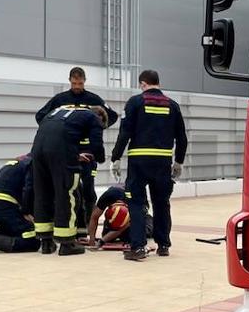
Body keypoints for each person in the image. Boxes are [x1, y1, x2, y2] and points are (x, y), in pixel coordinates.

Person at [111, 69, 187, 261]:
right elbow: (182, 138)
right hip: (162, 162)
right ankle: (163, 245)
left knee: (135, 203)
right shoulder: (173, 105)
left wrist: (116, 157)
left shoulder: (135, 103)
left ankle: (138, 248)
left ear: (143, 84)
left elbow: (124, 133)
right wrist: (178, 161)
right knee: (162, 203)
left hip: (139, 162)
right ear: (157, 83)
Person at [35, 67, 117, 237]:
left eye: (80, 83)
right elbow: (41, 116)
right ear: (69, 81)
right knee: (67, 187)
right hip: (66, 149)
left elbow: (112, 115)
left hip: (88, 151)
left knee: (87, 188)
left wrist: (97, 129)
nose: (77, 86)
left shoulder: (93, 99)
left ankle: (86, 226)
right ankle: (68, 227)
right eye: (74, 83)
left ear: (84, 81)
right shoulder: (60, 99)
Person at [32, 105, 108, 256]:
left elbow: (57, 135)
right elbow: (96, 146)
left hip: (38, 149)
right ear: (101, 119)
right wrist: (99, 158)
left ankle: (46, 242)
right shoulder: (94, 119)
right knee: (67, 193)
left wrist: (73, 153)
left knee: (43, 192)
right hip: (60, 150)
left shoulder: (62, 111)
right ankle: (67, 243)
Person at [86, 183, 152, 246]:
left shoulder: (136, 200)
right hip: (120, 206)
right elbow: (94, 217)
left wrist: (102, 241)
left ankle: (150, 222)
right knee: (108, 237)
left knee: (138, 236)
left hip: (139, 216)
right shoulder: (109, 195)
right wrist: (92, 238)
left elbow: (121, 229)